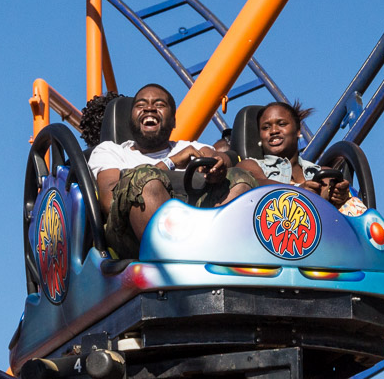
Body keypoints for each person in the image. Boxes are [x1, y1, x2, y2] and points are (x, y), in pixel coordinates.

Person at [89, 83, 255, 257]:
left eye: (159, 105)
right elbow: (109, 201)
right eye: (141, 105)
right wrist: (171, 162)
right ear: (130, 119)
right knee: (145, 178)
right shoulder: (110, 151)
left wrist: (218, 165)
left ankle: (220, 255)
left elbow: (215, 156)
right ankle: (169, 257)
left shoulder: (190, 147)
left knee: (239, 178)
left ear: (174, 120)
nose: (150, 109)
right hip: (129, 236)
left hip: (199, 233)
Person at [238, 101, 351, 208]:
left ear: (298, 131)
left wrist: (337, 193)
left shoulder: (320, 172)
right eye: (266, 127)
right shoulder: (250, 165)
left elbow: (327, 187)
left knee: (351, 201)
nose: (273, 131)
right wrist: (297, 190)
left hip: (322, 225)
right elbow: (255, 183)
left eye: (281, 124)